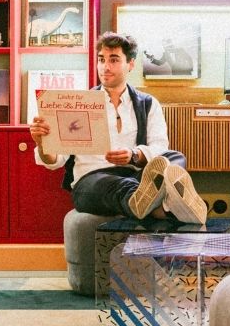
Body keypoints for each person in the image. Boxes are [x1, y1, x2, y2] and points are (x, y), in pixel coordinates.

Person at [29, 31, 207, 224]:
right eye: (101, 60)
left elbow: (159, 148)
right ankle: (163, 206)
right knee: (111, 185)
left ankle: (151, 202)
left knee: (174, 157)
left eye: (113, 60)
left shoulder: (148, 104)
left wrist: (134, 155)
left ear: (130, 64)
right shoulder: (77, 103)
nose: (105, 67)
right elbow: (55, 161)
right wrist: (42, 143)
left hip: (137, 175)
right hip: (93, 180)